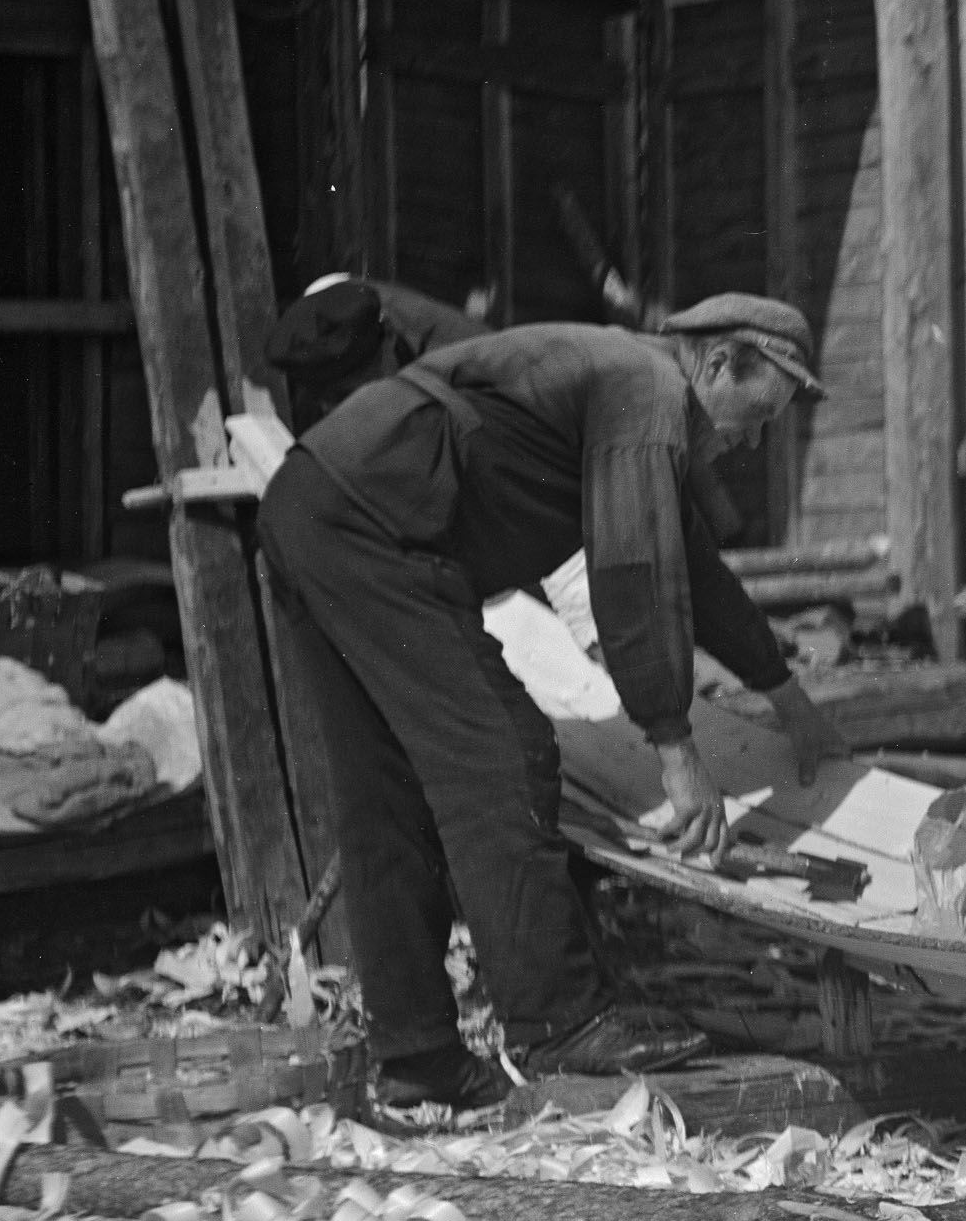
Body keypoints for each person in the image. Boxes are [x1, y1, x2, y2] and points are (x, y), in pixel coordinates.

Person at [260, 294, 851, 1120]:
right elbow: (635, 571)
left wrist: (789, 699)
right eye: (757, 418)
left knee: (387, 797)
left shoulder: (628, 382)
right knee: (501, 754)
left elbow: (692, 568)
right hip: (374, 526)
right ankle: (560, 1023)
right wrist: (677, 752)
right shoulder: (644, 391)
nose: (752, 442)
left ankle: (418, 1059)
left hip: (311, 507)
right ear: (717, 365)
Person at [267, 274, 488, 431]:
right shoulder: (323, 316)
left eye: (348, 393)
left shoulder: (469, 358)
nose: (332, 408)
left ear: (389, 336)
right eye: (326, 397)